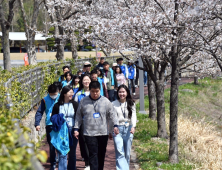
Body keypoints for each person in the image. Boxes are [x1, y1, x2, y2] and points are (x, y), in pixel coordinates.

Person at [74, 81, 119, 170]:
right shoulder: (84, 101)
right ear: (89, 90)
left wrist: (115, 125)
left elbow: (112, 114)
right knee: (93, 155)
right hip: (89, 133)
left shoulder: (105, 101)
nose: (95, 93)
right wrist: (76, 128)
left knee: (101, 155)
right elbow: (79, 115)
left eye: (97, 91)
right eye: (93, 91)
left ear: (100, 90)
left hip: (102, 133)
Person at [51, 86, 79, 170]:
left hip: (72, 130)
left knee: (72, 152)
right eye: (70, 92)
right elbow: (53, 118)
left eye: (72, 92)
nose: (72, 94)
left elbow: (78, 118)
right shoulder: (57, 105)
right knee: (62, 152)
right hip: (61, 132)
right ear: (64, 93)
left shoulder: (75, 104)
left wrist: (76, 129)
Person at [110, 84, 137, 170]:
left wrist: (133, 126)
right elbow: (111, 118)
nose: (121, 94)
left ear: (127, 93)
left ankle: (125, 168)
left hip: (128, 129)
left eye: (123, 92)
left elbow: (133, 116)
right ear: (117, 93)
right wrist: (110, 131)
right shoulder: (113, 104)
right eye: (120, 92)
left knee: (127, 153)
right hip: (118, 130)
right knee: (119, 152)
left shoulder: (131, 103)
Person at [35, 84, 60, 170]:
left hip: (60, 124)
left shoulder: (62, 97)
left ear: (58, 92)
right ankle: (53, 163)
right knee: (52, 145)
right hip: (49, 124)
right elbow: (39, 112)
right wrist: (37, 123)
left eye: (55, 94)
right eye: (52, 94)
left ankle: (61, 162)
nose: (54, 96)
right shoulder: (45, 100)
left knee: (60, 143)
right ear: (49, 93)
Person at [74, 74, 91, 169]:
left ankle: (93, 161)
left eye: (88, 80)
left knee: (93, 142)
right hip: (83, 121)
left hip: (94, 122)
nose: (86, 81)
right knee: (84, 142)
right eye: (84, 80)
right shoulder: (78, 94)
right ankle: (87, 163)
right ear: (82, 82)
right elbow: (76, 111)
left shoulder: (95, 93)